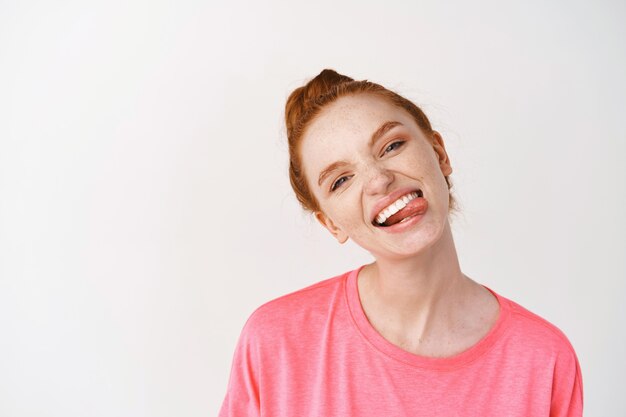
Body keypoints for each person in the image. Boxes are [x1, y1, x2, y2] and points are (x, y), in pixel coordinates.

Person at [218, 69, 583, 416]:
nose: (378, 179)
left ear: (439, 154)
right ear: (331, 223)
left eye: (391, 145)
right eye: (341, 180)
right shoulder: (276, 342)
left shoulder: (544, 358)